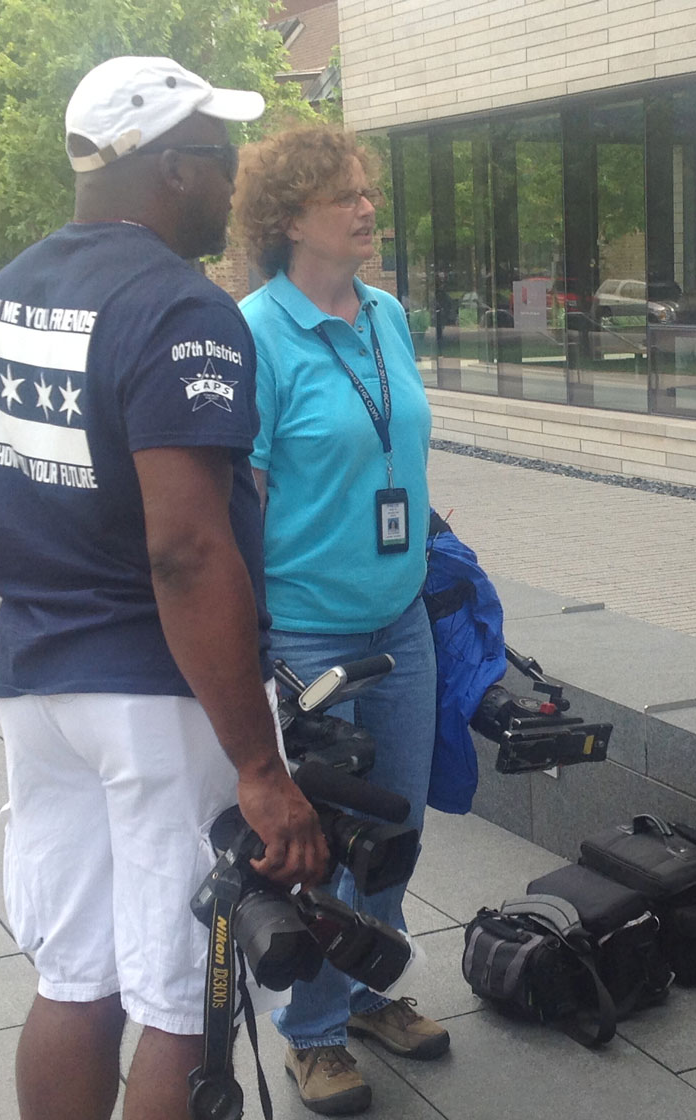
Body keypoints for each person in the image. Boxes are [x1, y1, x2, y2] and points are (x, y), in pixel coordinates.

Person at [0, 57, 326, 1120]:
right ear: (171, 168)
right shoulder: (182, 308)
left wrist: (47, 601)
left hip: (41, 685)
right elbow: (186, 550)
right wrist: (259, 767)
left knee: (75, 976)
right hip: (162, 695)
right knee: (184, 996)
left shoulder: (0, 294)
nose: (232, 180)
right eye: (220, 156)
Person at [233, 124, 442, 1116]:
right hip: (309, 634)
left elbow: (395, 446)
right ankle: (312, 1032)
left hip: (401, 620)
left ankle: (367, 988)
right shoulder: (257, 331)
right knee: (321, 844)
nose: (367, 208)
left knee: (395, 828)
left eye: (367, 191)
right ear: (288, 219)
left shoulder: (386, 313)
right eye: (344, 196)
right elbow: (247, 494)